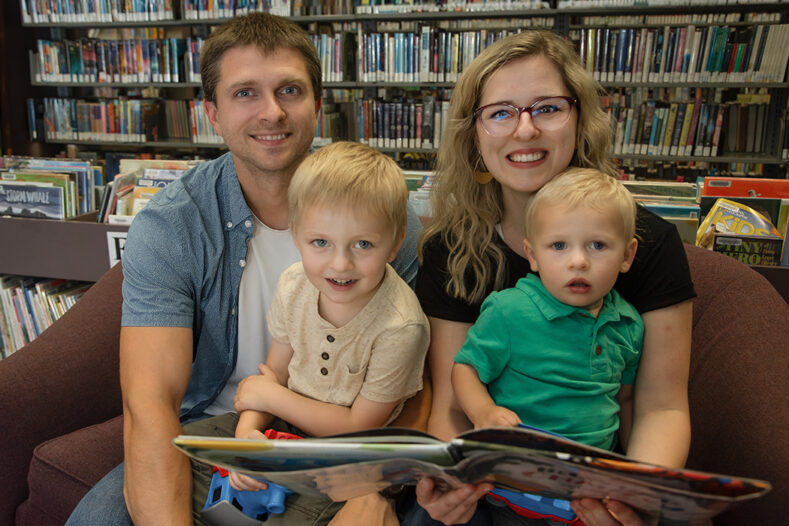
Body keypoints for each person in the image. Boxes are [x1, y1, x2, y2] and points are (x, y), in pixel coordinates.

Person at [66, 13, 422, 526]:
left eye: (290, 90)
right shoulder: (170, 228)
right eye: (245, 93)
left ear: (318, 104)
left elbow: (413, 376)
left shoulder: (385, 219)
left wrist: (375, 490)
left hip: (348, 437)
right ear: (211, 111)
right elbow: (151, 403)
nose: (272, 112)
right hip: (220, 423)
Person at [411, 29, 695, 526]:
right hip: (495, 486)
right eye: (500, 112)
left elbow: (659, 406)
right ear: (474, 136)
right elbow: (452, 405)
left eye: (547, 108)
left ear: (580, 120)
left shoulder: (648, 240)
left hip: (600, 483)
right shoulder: (449, 249)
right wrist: (449, 486)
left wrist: (635, 496)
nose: (525, 131)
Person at [189, 141, 430, 523]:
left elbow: (358, 426)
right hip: (283, 426)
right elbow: (275, 373)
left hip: (352, 454)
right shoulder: (293, 284)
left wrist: (271, 398)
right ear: (297, 235)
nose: (340, 263)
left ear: (395, 243)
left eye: (363, 244)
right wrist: (248, 438)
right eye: (320, 242)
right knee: (178, 457)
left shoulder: (402, 326)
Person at [451, 167, 643, 523]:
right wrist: (483, 412)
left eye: (598, 245)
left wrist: (632, 469)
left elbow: (625, 400)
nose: (578, 261)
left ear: (627, 255)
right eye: (558, 246)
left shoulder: (628, 323)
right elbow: (465, 368)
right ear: (532, 254)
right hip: (512, 489)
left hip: (590, 492)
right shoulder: (509, 310)